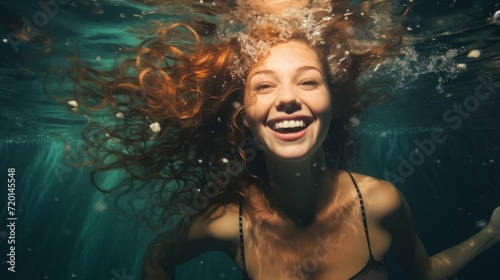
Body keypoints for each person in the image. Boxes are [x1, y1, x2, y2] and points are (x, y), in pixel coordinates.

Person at [64, 1, 500, 279]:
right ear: (244, 114)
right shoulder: (225, 223)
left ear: (333, 103)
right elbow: (157, 258)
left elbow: (424, 272)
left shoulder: (382, 202)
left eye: (308, 82)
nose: (288, 98)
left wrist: (490, 234)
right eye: (264, 86)